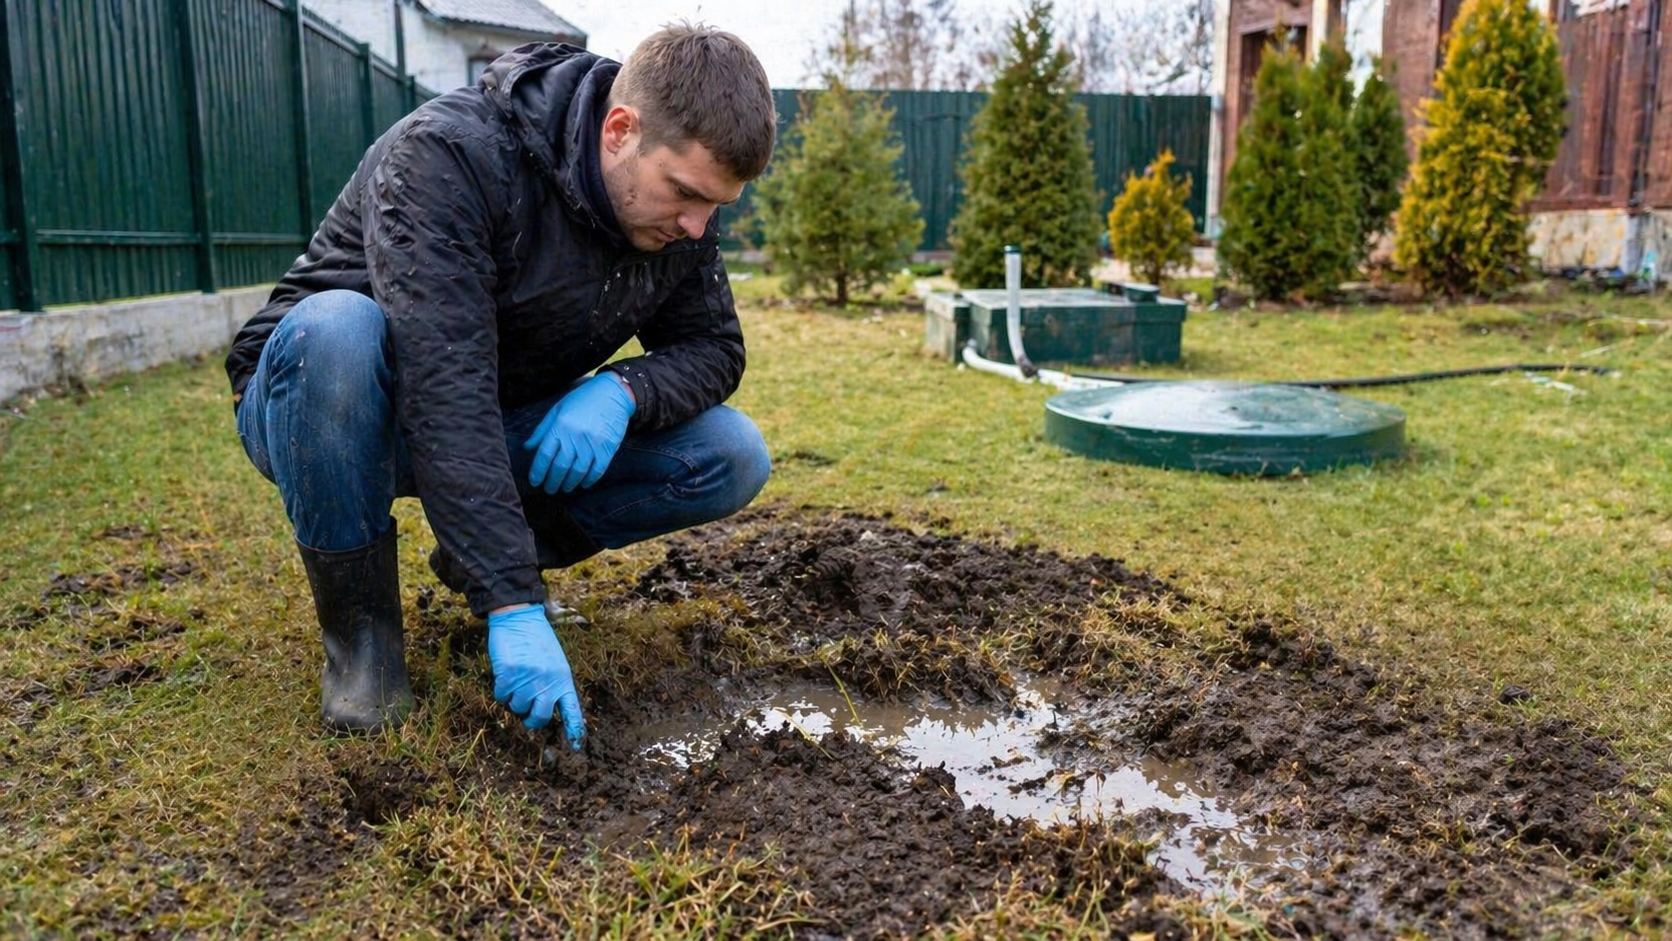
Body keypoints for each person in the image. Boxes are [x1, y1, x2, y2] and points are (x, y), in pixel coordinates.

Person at [224, 26, 778, 745]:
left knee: (730, 452)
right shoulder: (450, 156)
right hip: (324, 410)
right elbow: (443, 383)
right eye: (685, 194)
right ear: (620, 130)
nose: (698, 227)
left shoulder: (676, 221)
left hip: (490, 412)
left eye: (716, 206)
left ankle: (478, 558)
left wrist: (623, 391)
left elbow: (713, 347)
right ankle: (363, 645)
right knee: (336, 329)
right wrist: (515, 607)